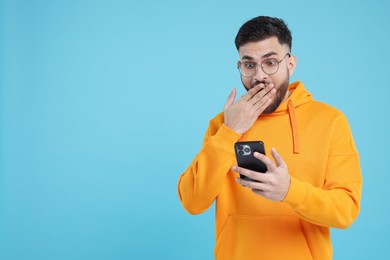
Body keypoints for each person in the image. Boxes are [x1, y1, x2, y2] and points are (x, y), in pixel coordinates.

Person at [177, 16, 362, 260]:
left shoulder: (330, 121)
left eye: (271, 62)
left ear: (291, 64)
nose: (259, 76)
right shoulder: (222, 124)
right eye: (249, 65)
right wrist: (230, 131)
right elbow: (192, 201)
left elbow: (346, 210)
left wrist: (289, 191)